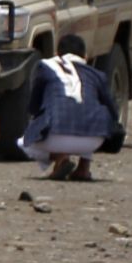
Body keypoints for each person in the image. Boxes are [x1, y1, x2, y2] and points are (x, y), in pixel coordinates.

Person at [18, 34, 120, 181]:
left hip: (55, 136)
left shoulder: (45, 67)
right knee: (90, 112)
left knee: (23, 143)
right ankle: (83, 169)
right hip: (94, 140)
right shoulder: (97, 75)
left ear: (56, 54)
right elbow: (113, 111)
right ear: (85, 56)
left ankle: (60, 158)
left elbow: (34, 106)